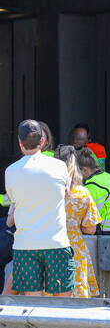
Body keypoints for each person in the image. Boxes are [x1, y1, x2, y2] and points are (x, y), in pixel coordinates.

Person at [4, 120, 74, 297]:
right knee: (62, 302)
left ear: (20, 142)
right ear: (42, 141)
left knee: (32, 302)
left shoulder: (10, 171)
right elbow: (66, 193)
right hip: (56, 243)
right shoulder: (59, 167)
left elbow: (13, 200)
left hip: (25, 245)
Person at [56, 145, 101, 297]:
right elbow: (91, 229)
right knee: (77, 299)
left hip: (49, 245)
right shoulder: (83, 192)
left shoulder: (47, 190)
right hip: (75, 249)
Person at [79, 149, 110, 235]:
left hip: (105, 233)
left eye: (78, 172)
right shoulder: (108, 177)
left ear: (84, 170)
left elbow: (89, 218)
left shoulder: (93, 185)